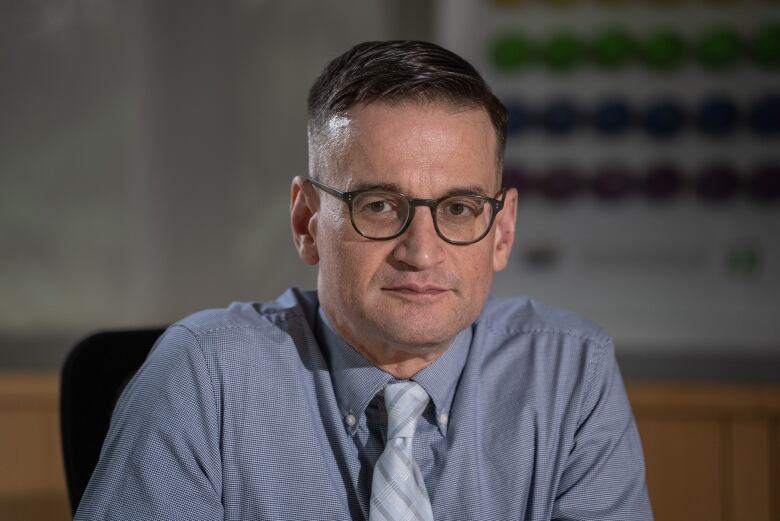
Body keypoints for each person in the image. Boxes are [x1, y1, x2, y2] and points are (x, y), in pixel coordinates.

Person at [75, 40, 653, 520]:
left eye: (458, 208)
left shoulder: (570, 374)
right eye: (378, 205)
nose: (422, 253)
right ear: (307, 223)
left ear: (501, 232)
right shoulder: (204, 377)